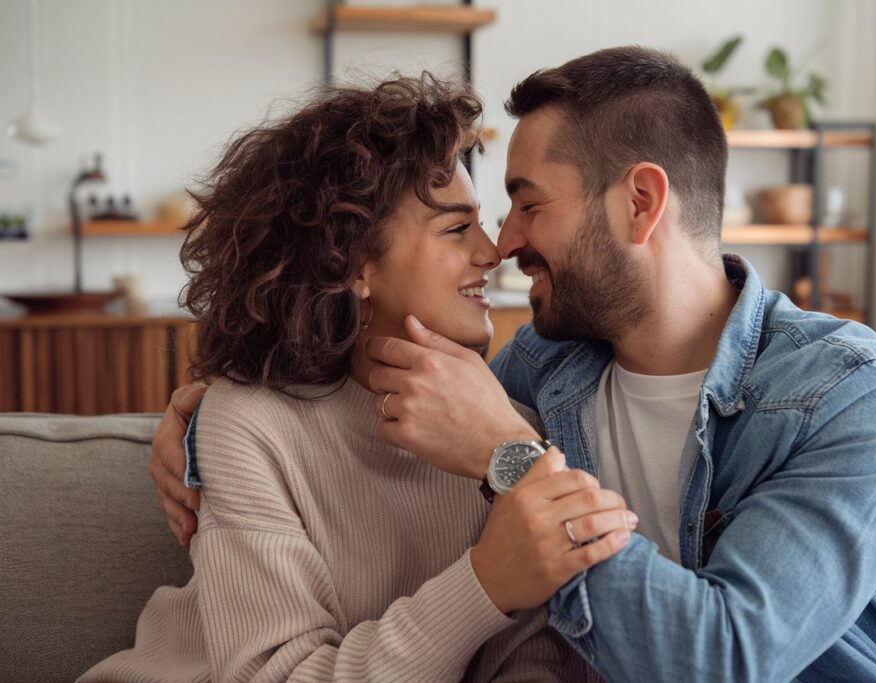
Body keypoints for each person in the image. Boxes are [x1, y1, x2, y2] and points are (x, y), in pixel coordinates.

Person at [153, 48, 876, 682]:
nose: (503, 242)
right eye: (471, 223)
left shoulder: (861, 398)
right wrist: (209, 407)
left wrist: (511, 460)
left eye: (526, 204)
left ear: (641, 201)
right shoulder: (538, 365)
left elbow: (722, 660)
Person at [81, 74, 623, 682]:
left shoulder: (509, 431)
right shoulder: (249, 423)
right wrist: (484, 583)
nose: (493, 251)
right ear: (354, 262)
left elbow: (533, 662)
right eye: (455, 228)